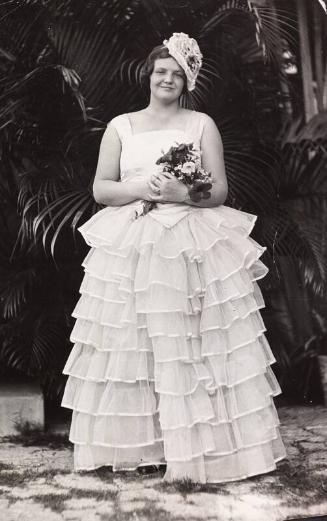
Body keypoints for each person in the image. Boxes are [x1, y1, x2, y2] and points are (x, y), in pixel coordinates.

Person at [61, 32, 287, 483]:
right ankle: (148, 447)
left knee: (192, 341)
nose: (167, 79)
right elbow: (102, 189)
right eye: (161, 71)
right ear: (150, 75)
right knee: (136, 340)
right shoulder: (121, 125)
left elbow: (219, 190)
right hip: (136, 240)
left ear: (188, 82)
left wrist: (183, 191)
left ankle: (203, 449)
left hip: (189, 239)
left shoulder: (200, 124)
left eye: (177, 74)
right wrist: (143, 188)